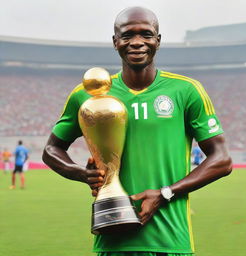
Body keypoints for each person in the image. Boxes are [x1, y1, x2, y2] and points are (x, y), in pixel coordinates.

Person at [42, 6, 232, 256]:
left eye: (146, 34)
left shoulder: (186, 91)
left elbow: (222, 160)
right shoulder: (90, 95)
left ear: (158, 40)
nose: (137, 42)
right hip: (112, 236)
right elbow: (51, 149)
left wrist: (165, 194)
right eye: (128, 35)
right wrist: (80, 173)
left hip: (171, 240)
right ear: (115, 41)